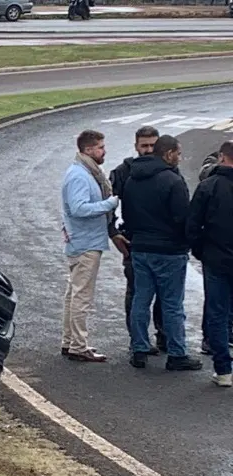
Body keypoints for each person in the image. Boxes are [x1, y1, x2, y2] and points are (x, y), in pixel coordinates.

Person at [121, 134, 201, 370]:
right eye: (178, 153)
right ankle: (177, 353)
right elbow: (182, 218)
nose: (180, 157)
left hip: (141, 247)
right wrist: (188, 241)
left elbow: (128, 215)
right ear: (168, 154)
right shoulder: (172, 181)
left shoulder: (132, 180)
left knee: (140, 299)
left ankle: (139, 349)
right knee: (172, 304)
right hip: (169, 251)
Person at [60, 129, 119, 363]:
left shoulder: (85, 171)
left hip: (83, 240)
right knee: (81, 296)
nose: (104, 151)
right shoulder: (79, 176)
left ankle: (70, 341)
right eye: (100, 147)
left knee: (73, 294)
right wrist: (109, 203)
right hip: (85, 243)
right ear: (88, 149)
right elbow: (79, 208)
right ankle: (78, 345)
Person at [108, 125, 166, 354]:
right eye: (145, 145)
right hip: (133, 240)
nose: (149, 149)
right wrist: (113, 233)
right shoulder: (122, 172)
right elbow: (108, 205)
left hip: (163, 242)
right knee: (135, 291)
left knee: (164, 294)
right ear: (136, 146)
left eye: (153, 145)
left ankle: (164, 336)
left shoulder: (168, 170)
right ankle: (138, 340)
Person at [187, 140, 233, 386]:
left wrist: (200, 251)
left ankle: (224, 370)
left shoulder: (208, 187)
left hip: (215, 258)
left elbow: (192, 225)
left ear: (222, 158)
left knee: (217, 312)